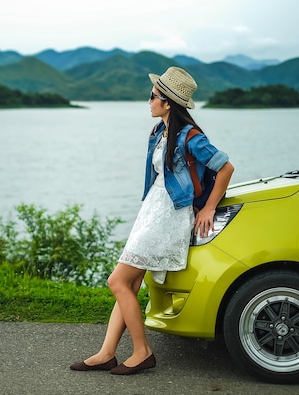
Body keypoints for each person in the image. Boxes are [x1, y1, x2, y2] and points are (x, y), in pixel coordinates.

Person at [69, 67, 234, 375]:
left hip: (170, 216)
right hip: (152, 212)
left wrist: (209, 208)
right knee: (128, 283)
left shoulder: (190, 136)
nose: (149, 101)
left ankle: (143, 351)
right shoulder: (161, 132)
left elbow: (225, 167)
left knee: (116, 281)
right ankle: (107, 352)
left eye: (153, 96)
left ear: (168, 102)